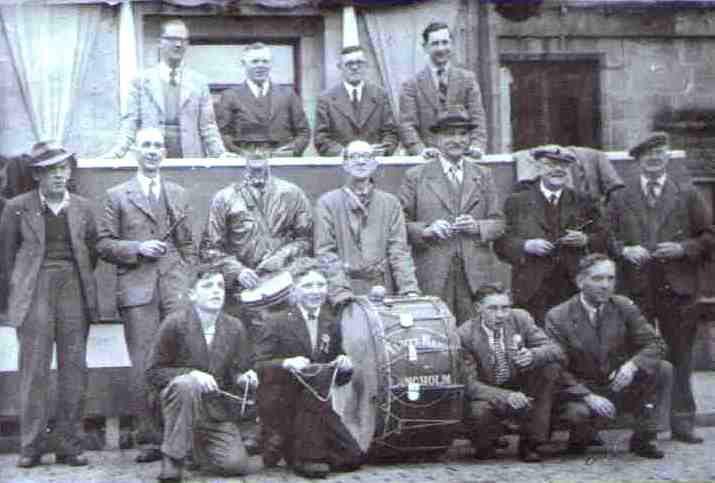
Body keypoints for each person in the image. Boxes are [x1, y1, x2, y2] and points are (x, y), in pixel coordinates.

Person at [97, 127, 197, 463]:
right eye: (146, 146)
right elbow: (104, 244)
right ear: (136, 152)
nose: (152, 151)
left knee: (180, 359)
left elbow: (187, 245)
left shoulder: (178, 193)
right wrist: (138, 247)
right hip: (137, 291)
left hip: (175, 289)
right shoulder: (117, 195)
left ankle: (179, 436)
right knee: (144, 364)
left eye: (158, 146)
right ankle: (150, 438)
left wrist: (187, 280)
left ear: (164, 153)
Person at [607, 132, 713, 444]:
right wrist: (625, 250)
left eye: (660, 154)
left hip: (678, 289)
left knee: (680, 356)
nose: (654, 160)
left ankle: (682, 422)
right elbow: (605, 237)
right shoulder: (620, 197)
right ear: (638, 161)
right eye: (648, 155)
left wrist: (683, 248)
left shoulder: (687, 193)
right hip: (636, 289)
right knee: (636, 355)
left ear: (667, 158)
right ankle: (640, 422)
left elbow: (708, 237)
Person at [0, 142, 98, 468]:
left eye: (64, 168)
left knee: (74, 369)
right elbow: (6, 258)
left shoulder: (83, 207)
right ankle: (31, 446)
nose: (59, 175)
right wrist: (13, 303)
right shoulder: (17, 207)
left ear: (70, 172)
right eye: (51, 170)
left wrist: (77, 285)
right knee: (34, 370)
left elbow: (92, 252)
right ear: (38, 174)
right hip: (33, 290)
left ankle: (69, 444)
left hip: (73, 288)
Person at [545, 254, 673, 458]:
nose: (605, 285)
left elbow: (656, 344)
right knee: (578, 416)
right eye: (597, 279)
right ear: (580, 282)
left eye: (610, 278)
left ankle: (644, 437)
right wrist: (587, 396)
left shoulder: (622, 306)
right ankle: (581, 436)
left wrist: (632, 365)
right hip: (581, 392)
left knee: (663, 368)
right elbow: (556, 367)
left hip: (616, 385)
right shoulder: (558, 316)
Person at [145, 265, 261, 481]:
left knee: (236, 465)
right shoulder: (175, 323)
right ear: (192, 294)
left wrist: (245, 376)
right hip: (177, 408)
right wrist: (192, 374)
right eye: (207, 286)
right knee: (186, 384)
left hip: (214, 412)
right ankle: (172, 458)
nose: (216, 291)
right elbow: (153, 373)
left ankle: (195, 449)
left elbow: (239, 369)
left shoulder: (234, 327)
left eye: (220, 286)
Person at [254, 257, 362, 479]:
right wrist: (285, 363)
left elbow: (336, 378)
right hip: (283, 402)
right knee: (314, 463)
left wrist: (344, 366)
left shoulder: (330, 322)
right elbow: (258, 366)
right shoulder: (277, 321)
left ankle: (292, 445)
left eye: (320, 285)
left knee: (352, 457)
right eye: (308, 286)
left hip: (316, 406)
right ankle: (306, 456)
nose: (315, 291)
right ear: (295, 290)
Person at [399, 110, 504, 324]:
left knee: (476, 333)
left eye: (462, 134)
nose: (457, 140)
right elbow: (399, 224)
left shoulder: (483, 175)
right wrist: (426, 230)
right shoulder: (416, 176)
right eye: (449, 134)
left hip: (475, 274)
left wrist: (477, 226)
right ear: (435, 140)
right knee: (437, 332)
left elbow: (499, 223)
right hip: (433, 270)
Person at [199, 152, 313, 337]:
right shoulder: (225, 198)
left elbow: (306, 240)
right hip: (241, 295)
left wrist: (282, 258)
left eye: (263, 148)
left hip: (285, 291)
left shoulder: (292, 194)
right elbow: (209, 249)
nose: (258, 153)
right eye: (251, 148)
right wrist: (237, 271)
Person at [494, 147, 607, 325]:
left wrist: (585, 239)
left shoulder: (583, 201)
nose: (558, 169)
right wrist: (526, 246)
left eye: (563, 165)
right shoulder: (517, 201)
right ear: (538, 168)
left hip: (573, 287)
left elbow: (603, 237)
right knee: (536, 342)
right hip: (531, 289)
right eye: (551, 164)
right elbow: (501, 242)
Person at [459, 283, 562, 462]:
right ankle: (488, 441)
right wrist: (506, 396)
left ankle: (531, 443)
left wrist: (533, 355)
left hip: (522, 387)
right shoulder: (465, 335)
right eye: (493, 308)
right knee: (480, 424)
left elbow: (555, 350)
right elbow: (470, 384)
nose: (500, 315)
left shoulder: (520, 318)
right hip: (489, 393)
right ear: (478, 308)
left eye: (505, 308)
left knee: (549, 368)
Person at [103, 19, 229, 159]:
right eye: (172, 39)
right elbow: (131, 122)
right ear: (160, 42)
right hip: (151, 157)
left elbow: (208, 126)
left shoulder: (199, 83)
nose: (178, 44)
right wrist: (117, 152)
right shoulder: (141, 81)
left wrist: (221, 153)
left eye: (183, 40)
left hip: (190, 159)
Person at [314, 140, 420, 297]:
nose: (361, 161)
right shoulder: (327, 203)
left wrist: (409, 289)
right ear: (345, 164)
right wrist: (341, 292)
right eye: (354, 156)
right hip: (344, 289)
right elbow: (325, 253)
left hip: (382, 288)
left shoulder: (390, 203)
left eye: (366, 156)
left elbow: (399, 251)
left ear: (374, 163)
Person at [399, 21, 487, 156]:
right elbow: (407, 125)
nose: (441, 48)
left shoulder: (468, 80)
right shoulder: (411, 85)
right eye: (435, 44)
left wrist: (476, 146)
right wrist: (421, 150)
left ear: (451, 45)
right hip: (428, 159)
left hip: (462, 156)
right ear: (425, 47)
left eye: (445, 42)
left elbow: (477, 118)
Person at [216, 42, 311, 157]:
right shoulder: (230, 96)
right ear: (244, 64)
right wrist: (240, 154)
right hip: (244, 162)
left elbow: (303, 132)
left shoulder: (288, 95)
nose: (260, 65)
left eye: (265, 61)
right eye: (254, 61)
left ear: (271, 64)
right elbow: (223, 133)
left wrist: (291, 152)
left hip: (283, 162)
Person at [314, 46, 398, 157]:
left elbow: (391, 132)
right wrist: (344, 153)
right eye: (349, 64)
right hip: (340, 166)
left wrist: (383, 150)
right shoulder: (326, 99)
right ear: (340, 67)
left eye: (359, 63)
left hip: (374, 163)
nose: (354, 67)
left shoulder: (380, 95)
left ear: (366, 65)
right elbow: (321, 138)